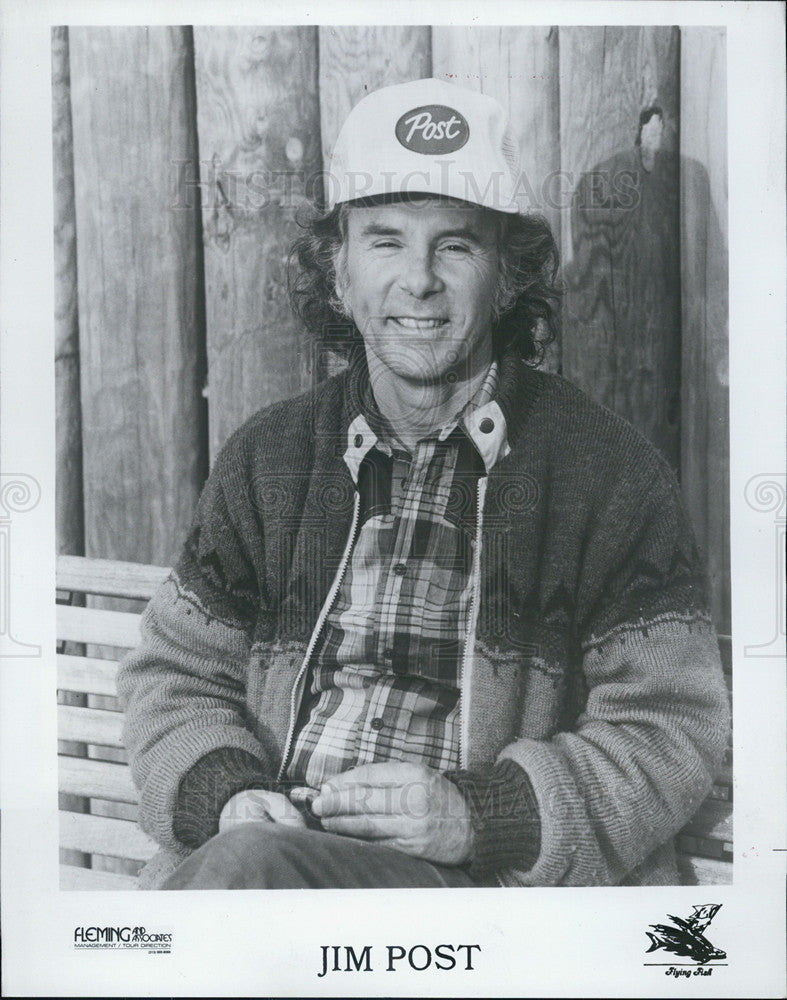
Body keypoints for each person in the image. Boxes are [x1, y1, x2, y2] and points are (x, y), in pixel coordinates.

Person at [118, 78, 729, 890]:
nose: (419, 279)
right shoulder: (269, 457)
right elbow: (175, 679)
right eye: (384, 240)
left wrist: (477, 816)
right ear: (335, 271)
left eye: (455, 245)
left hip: (480, 901)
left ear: (507, 277)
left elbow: (669, 729)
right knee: (246, 869)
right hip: (263, 861)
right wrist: (228, 798)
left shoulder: (604, 473)